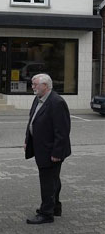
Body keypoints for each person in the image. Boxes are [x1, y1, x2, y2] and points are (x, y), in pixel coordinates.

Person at [24, 73, 71, 224]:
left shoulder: (56, 102)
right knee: (53, 180)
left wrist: (57, 152)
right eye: (32, 84)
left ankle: (46, 213)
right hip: (41, 148)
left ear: (45, 86)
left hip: (51, 150)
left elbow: (62, 131)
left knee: (47, 182)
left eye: (35, 84)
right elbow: (31, 120)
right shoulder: (38, 99)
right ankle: (55, 207)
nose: (32, 87)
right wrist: (27, 140)